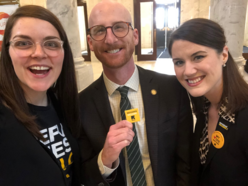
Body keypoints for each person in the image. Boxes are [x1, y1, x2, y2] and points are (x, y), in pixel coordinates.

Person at [78, 1, 193, 186]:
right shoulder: (81, 105)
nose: (110, 39)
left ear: (136, 36)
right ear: (90, 42)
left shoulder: (171, 89)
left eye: (119, 27)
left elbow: (186, 163)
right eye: (99, 30)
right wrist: (105, 160)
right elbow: (82, 174)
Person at [0, 5, 81, 186]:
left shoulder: (61, 103)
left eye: (51, 44)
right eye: (23, 43)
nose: (39, 53)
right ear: (7, 52)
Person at [168, 18, 248, 186]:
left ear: (224, 55)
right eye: (179, 62)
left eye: (198, 57)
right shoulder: (203, 108)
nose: (188, 71)